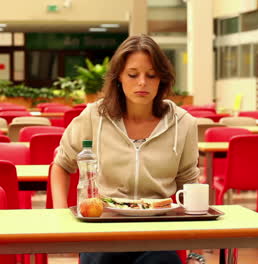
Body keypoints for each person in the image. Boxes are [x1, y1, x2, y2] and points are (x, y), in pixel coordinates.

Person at [52, 34, 202, 264]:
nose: (142, 82)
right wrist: (61, 217)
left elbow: (189, 183)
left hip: (159, 232)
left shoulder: (183, 123)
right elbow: (62, 165)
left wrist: (196, 251)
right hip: (103, 228)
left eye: (151, 75)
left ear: (161, 79)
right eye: (133, 75)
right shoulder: (94, 116)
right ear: (119, 77)